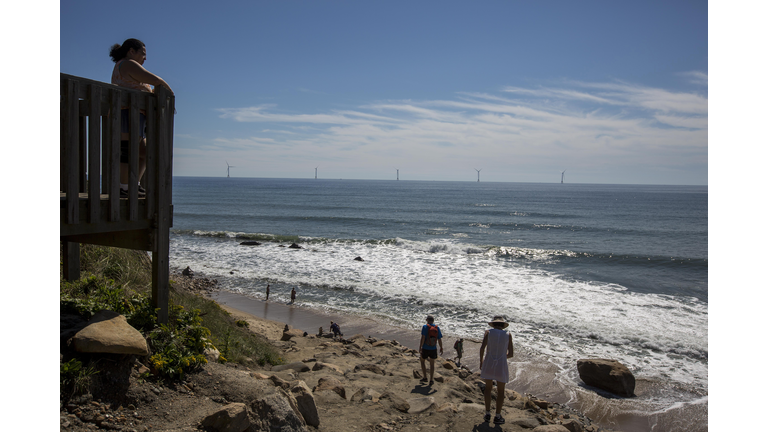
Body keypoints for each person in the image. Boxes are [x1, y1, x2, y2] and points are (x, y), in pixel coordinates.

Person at [109, 38, 174, 198]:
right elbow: (156, 80)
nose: (145, 58)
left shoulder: (123, 65)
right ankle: (124, 187)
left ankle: (133, 184)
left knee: (145, 152)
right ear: (131, 51)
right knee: (127, 150)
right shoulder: (128, 64)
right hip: (127, 113)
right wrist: (171, 96)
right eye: (143, 54)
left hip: (135, 115)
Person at [479, 316, 514, 425]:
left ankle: (487, 413)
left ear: (493, 324)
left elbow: (482, 348)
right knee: (500, 391)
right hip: (501, 365)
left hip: (489, 363)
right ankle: (497, 416)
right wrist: (502, 357)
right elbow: (511, 354)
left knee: (488, 389)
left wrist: (481, 362)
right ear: (503, 325)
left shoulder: (488, 332)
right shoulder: (508, 335)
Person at [418, 315, 443, 385]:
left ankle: (425, 377)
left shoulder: (425, 327)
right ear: (433, 320)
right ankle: (431, 380)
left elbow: (423, 338)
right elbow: (439, 339)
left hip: (425, 348)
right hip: (433, 348)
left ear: (427, 320)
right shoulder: (437, 328)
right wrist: (441, 348)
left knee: (422, 361)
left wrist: (420, 347)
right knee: (432, 364)